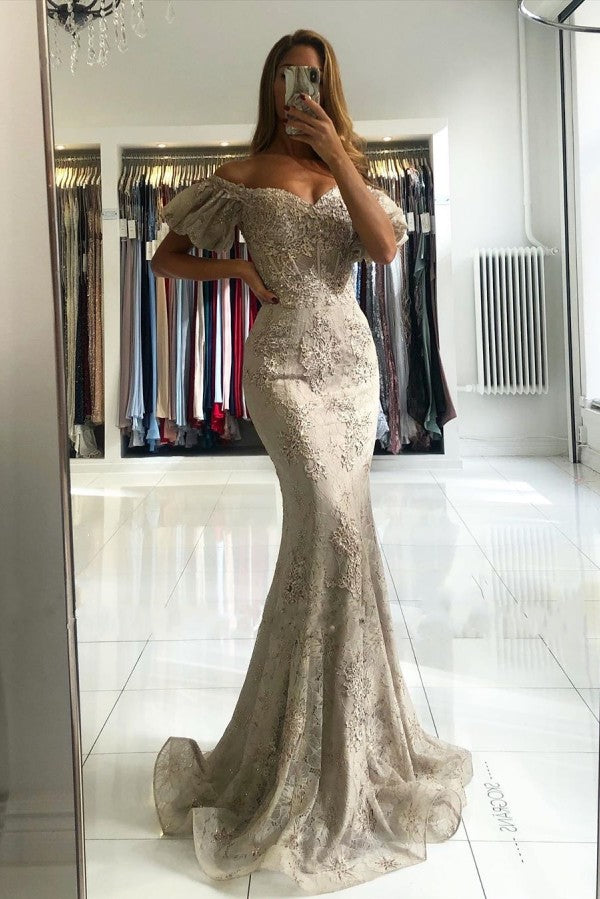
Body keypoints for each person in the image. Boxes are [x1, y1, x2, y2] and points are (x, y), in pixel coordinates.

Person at [151, 27, 473, 896]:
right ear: (272, 85)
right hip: (283, 369)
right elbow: (163, 256)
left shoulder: (349, 171)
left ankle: (347, 734)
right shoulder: (242, 174)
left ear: (329, 87)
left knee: (339, 539)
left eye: (314, 77)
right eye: (290, 76)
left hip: (351, 366)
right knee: (330, 521)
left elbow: (383, 250)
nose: (300, 87)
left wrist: (338, 155)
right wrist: (236, 269)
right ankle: (290, 749)